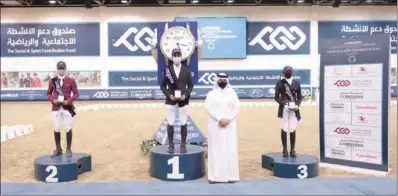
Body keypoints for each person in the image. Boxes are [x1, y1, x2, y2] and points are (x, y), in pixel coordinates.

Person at [204, 73, 240, 184]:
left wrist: (228, 119)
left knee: (230, 149)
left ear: (227, 81)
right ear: (217, 81)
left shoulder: (232, 94)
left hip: (230, 125)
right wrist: (220, 119)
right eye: (220, 79)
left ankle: (231, 176)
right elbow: (208, 107)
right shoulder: (211, 94)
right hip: (215, 125)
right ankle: (214, 177)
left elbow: (237, 108)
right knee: (215, 150)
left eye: (225, 79)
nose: (222, 81)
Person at [160, 48, 194, 154]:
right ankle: (171, 145)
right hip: (171, 100)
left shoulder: (187, 70)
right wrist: (169, 95)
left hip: (183, 100)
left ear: (181, 57)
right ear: (172, 57)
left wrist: (185, 95)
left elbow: (191, 86)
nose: (177, 57)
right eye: (175, 55)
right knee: (171, 121)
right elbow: (162, 86)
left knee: (183, 121)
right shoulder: (167, 71)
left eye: (179, 55)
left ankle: (183, 145)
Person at [46, 61, 78, 158]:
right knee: (56, 128)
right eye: (59, 68)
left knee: (68, 127)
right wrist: (53, 100)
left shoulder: (71, 81)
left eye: (62, 68)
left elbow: (76, 94)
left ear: (65, 69)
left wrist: (68, 101)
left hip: (67, 107)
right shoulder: (52, 81)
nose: (61, 70)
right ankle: (58, 149)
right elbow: (48, 94)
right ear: (57, 69)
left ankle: (68, 149)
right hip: (56, 108)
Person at [274, 66, 302, 158]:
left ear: (292, 72)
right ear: (283, 72)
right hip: (284, 109)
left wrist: (297, 105)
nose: (288, 72)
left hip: (294, 109)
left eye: (289, 71)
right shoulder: (280, 83)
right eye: (286, 71)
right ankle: (285, 149)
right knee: (284, 128)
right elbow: (276, 97)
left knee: (293, 128)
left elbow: (300, 97)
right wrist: (284, 105)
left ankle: (292, 150)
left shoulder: (297, 83)